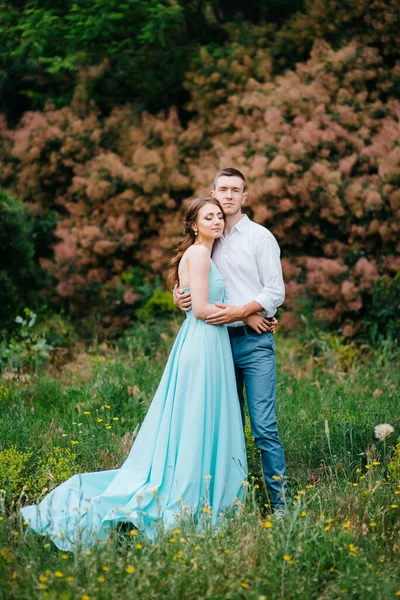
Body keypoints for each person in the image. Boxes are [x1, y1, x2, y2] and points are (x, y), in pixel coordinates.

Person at [21, 198, 247, 551]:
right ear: (193, 225)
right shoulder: (201, 255)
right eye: (209, 216)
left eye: (219, 216)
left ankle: (193, 484)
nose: (217, 221)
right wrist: (246, 314)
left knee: (193, 422)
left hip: (202, 344)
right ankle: (190, 495)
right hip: (204, 345)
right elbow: (202, 310)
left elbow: (192, 300)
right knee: (197, 421)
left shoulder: (201, 255)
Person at [175, 168, 289, 513]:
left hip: (253, 344)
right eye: (222, 189)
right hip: (215, 344)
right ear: (212, 192)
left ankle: (280, 506)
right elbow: (190, 278)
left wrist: (244, 312)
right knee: (223, 426)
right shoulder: (208, 233)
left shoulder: (260, 237)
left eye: (234, 190)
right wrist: (177, 295)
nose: (227, 196)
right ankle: (229, 502)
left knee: (263, 427)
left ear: (245, 196)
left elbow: (275, 291)